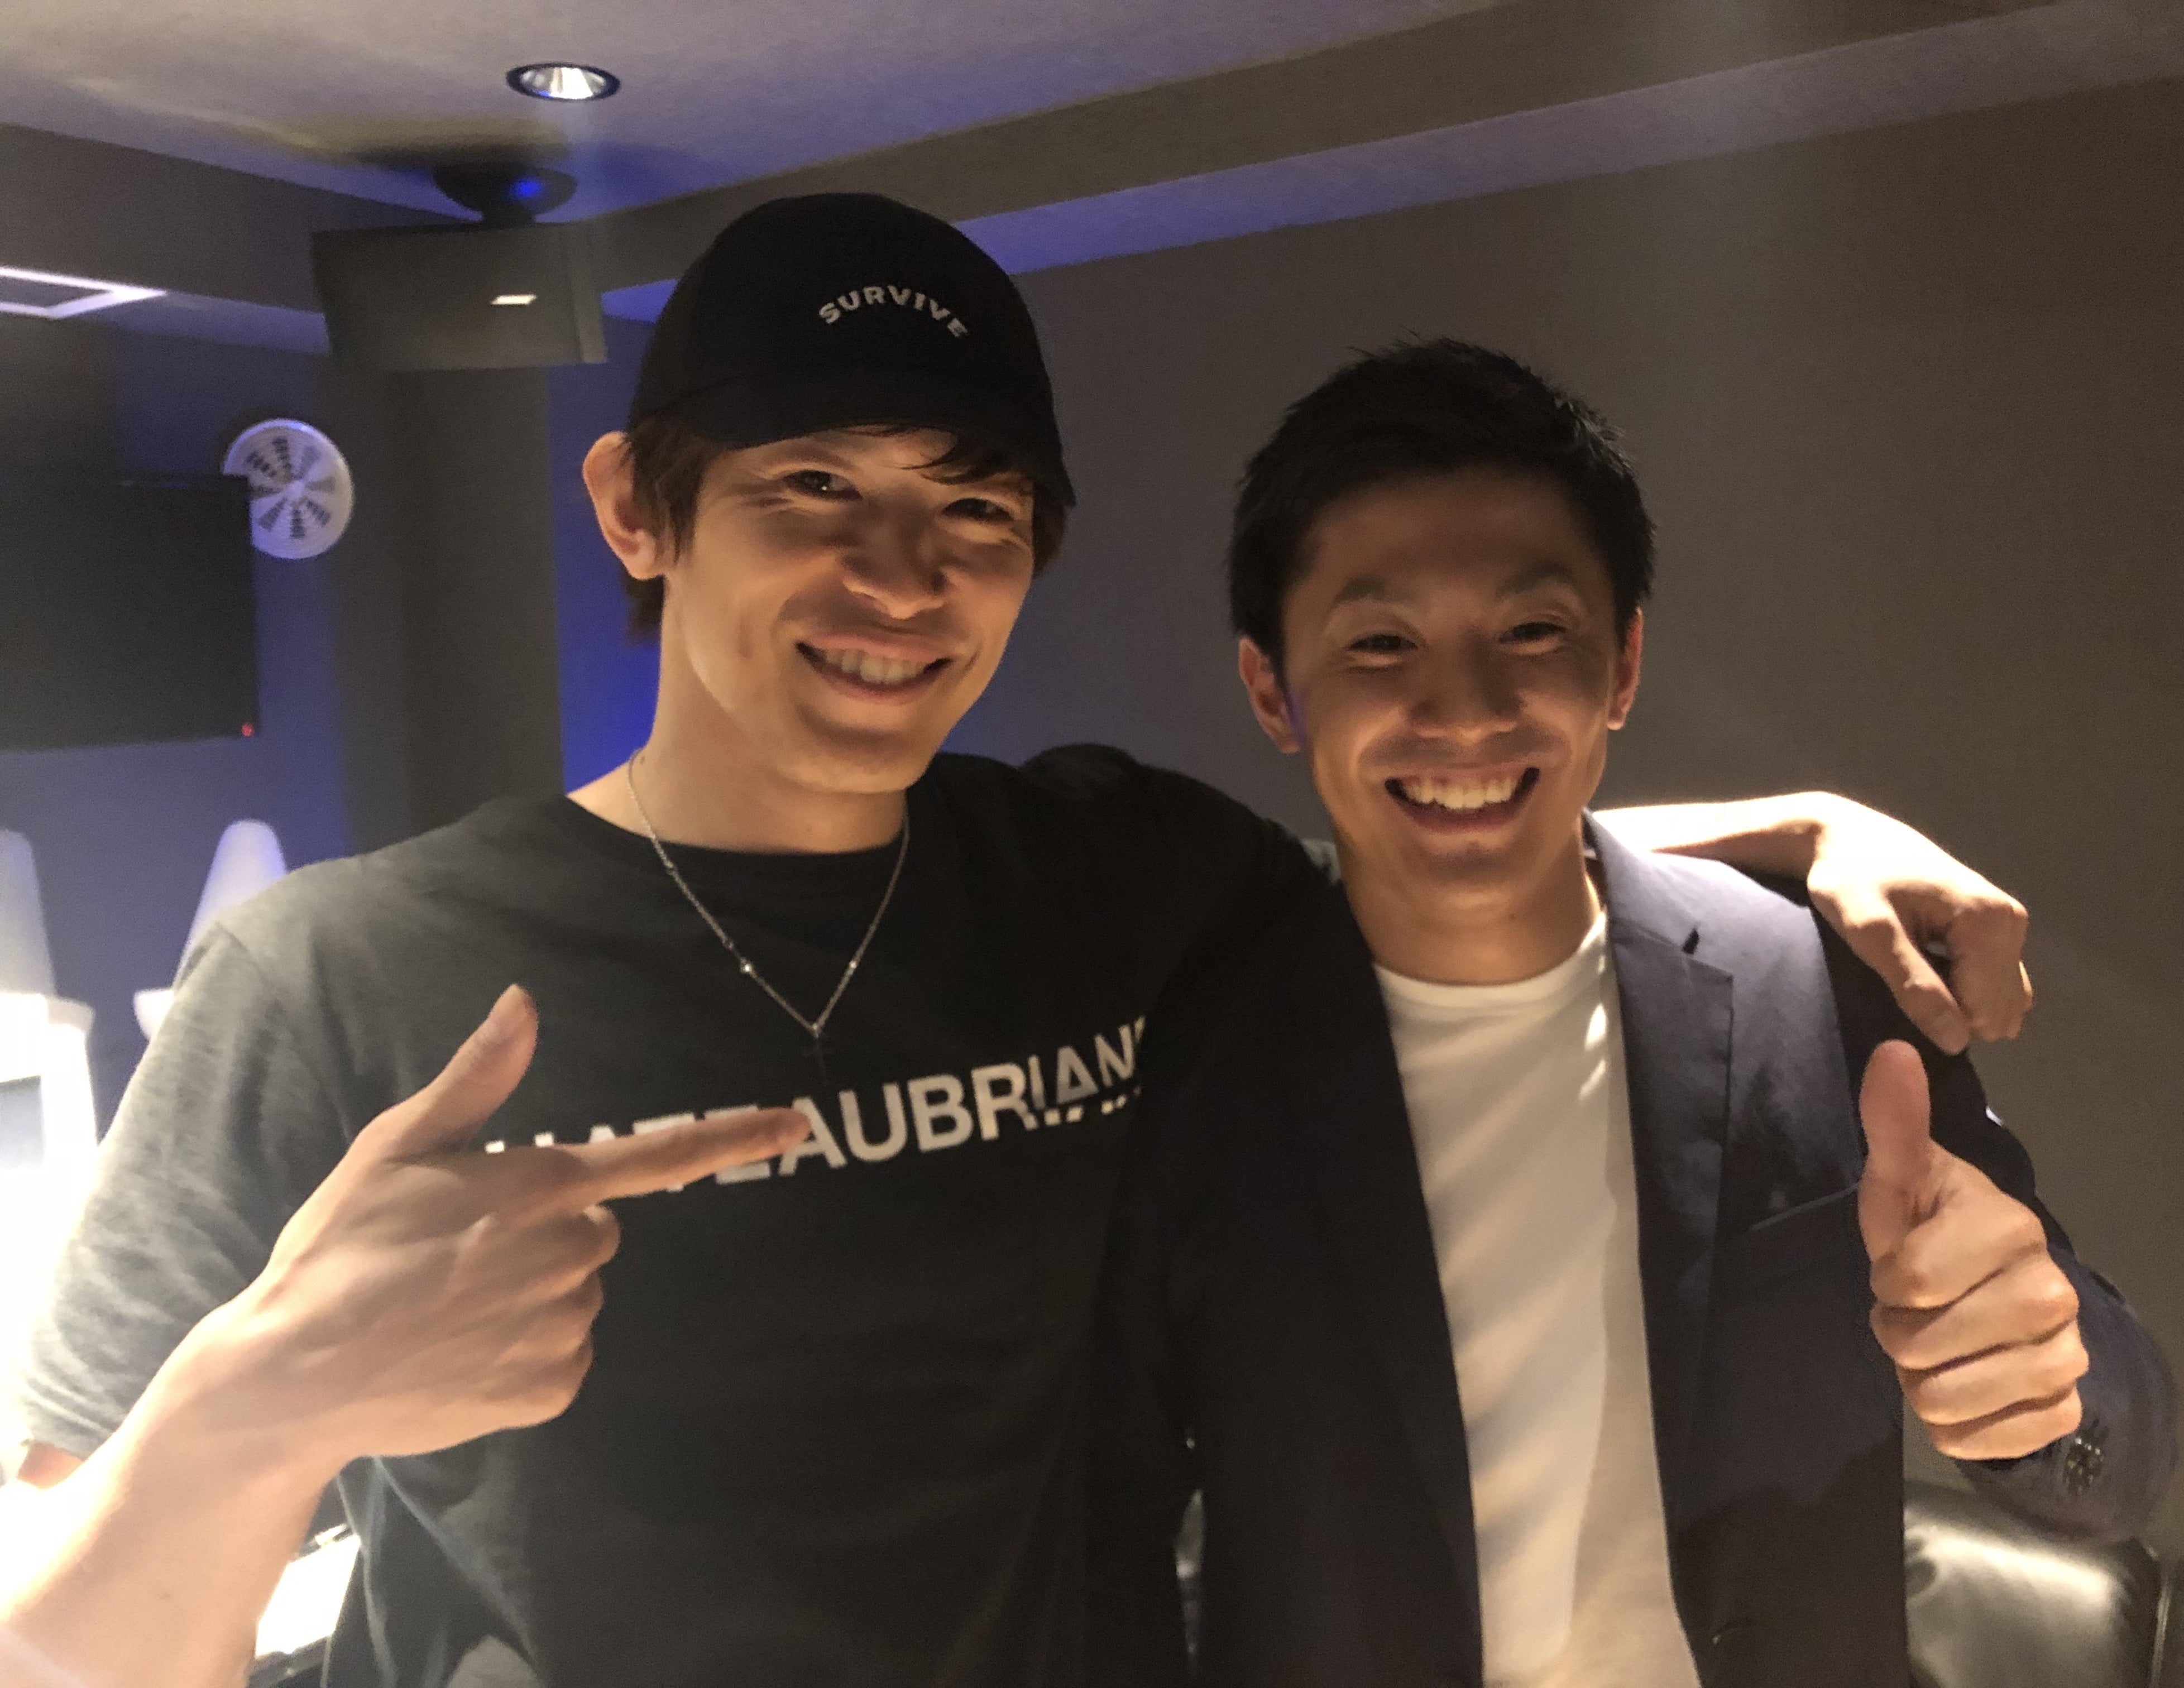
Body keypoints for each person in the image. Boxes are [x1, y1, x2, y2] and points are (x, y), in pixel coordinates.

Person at [1, 202, 2038, 1688]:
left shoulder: (1107, 877)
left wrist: (1801, 827)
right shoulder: (339, 973)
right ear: (638, 508)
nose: (900, 574)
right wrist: (264, 1410)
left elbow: (1437, 824)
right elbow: (56, 1637)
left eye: (974, 508)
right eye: (813, 484)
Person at [1083, 342, 2177, 1688]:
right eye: (1380, 642)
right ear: (1274, 691)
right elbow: (1104, 1527)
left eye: (1533, 632)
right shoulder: (1190, 1061)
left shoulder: (1820, 989)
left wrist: (2039, 1379)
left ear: (1624, 663)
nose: (1466, 711)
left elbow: (2119, 1458)